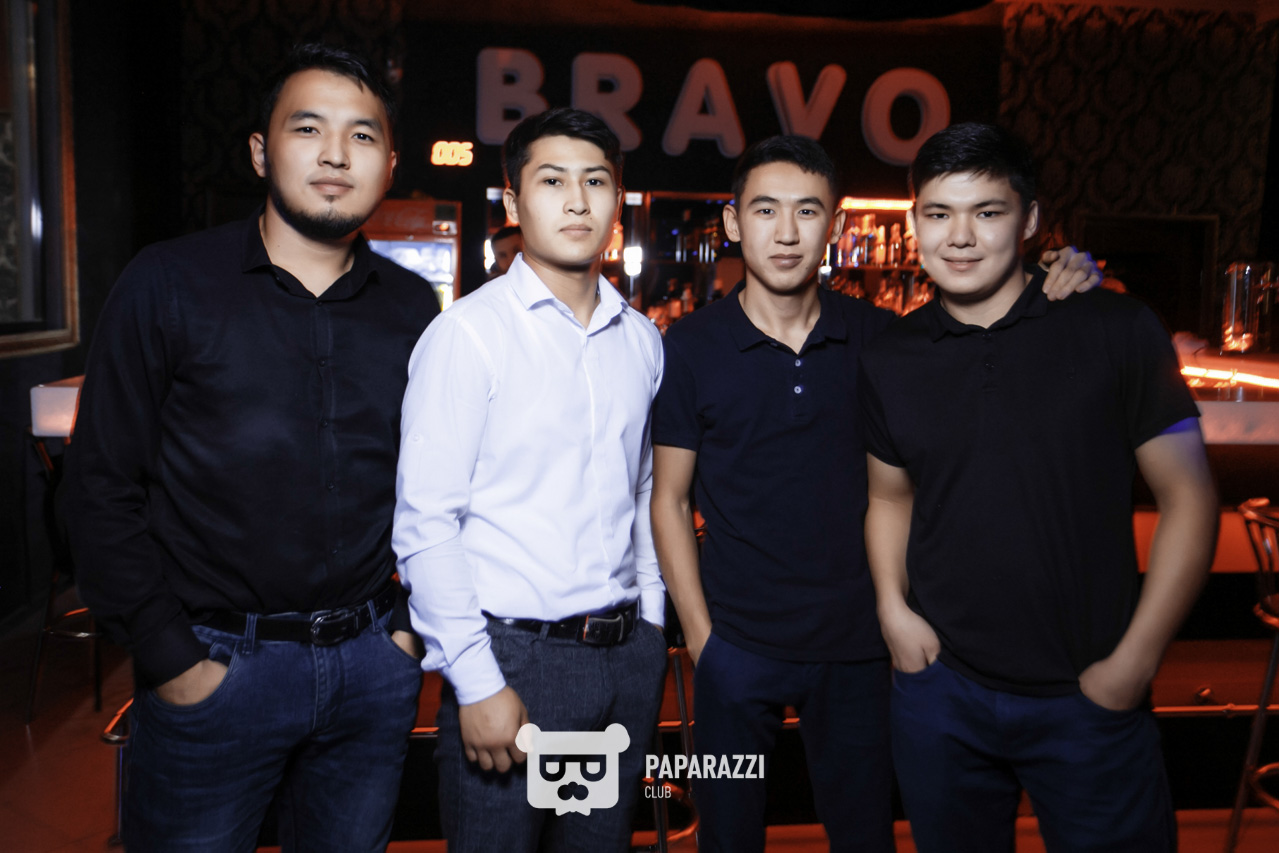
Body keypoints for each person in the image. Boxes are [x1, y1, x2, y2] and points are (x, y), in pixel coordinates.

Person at [649, 134, 1101, 853]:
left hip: (861, 644)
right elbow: (670, 499)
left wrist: (1058, 278)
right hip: (737, 646)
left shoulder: (884, 338)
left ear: (833, 223)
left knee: (864, 834)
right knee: (726, 837)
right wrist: (704, 639)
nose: (786, 232)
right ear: (733, 222)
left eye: (807, 210)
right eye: (765, 210)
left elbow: (991, 340)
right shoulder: (689, 346)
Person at [60, 43, 440, 851]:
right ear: (262, 152)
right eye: (308, 128)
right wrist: (172, 658)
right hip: (216, 668)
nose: (335, 154)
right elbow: (99, 484)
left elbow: (443, 484)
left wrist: (407, 634)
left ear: (389, 163)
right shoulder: (168, 283)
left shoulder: (413, 309)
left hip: (372, 667)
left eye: (362, 135)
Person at [859, 122, 1218, 853]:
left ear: (1027, 221)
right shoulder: (890, 353)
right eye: (938, 213)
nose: (960, 237)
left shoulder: (1115, 327)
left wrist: (1134, 663)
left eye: (986, 212)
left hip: (1087, 697)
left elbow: (1190, 498)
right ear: (915, 222)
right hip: (941, 693)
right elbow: (889, 496)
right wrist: (893, 611)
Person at [393, 107, 668, 852]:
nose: (577, 201)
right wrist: (476, 679)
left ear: (617, 201)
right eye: (552, 181)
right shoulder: (468, 334)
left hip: (625, 656)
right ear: (514, 202)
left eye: (595, 182)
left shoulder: (641, 339)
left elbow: (642, 491)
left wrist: (650, 620)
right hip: (514, 659)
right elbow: (425, 522)